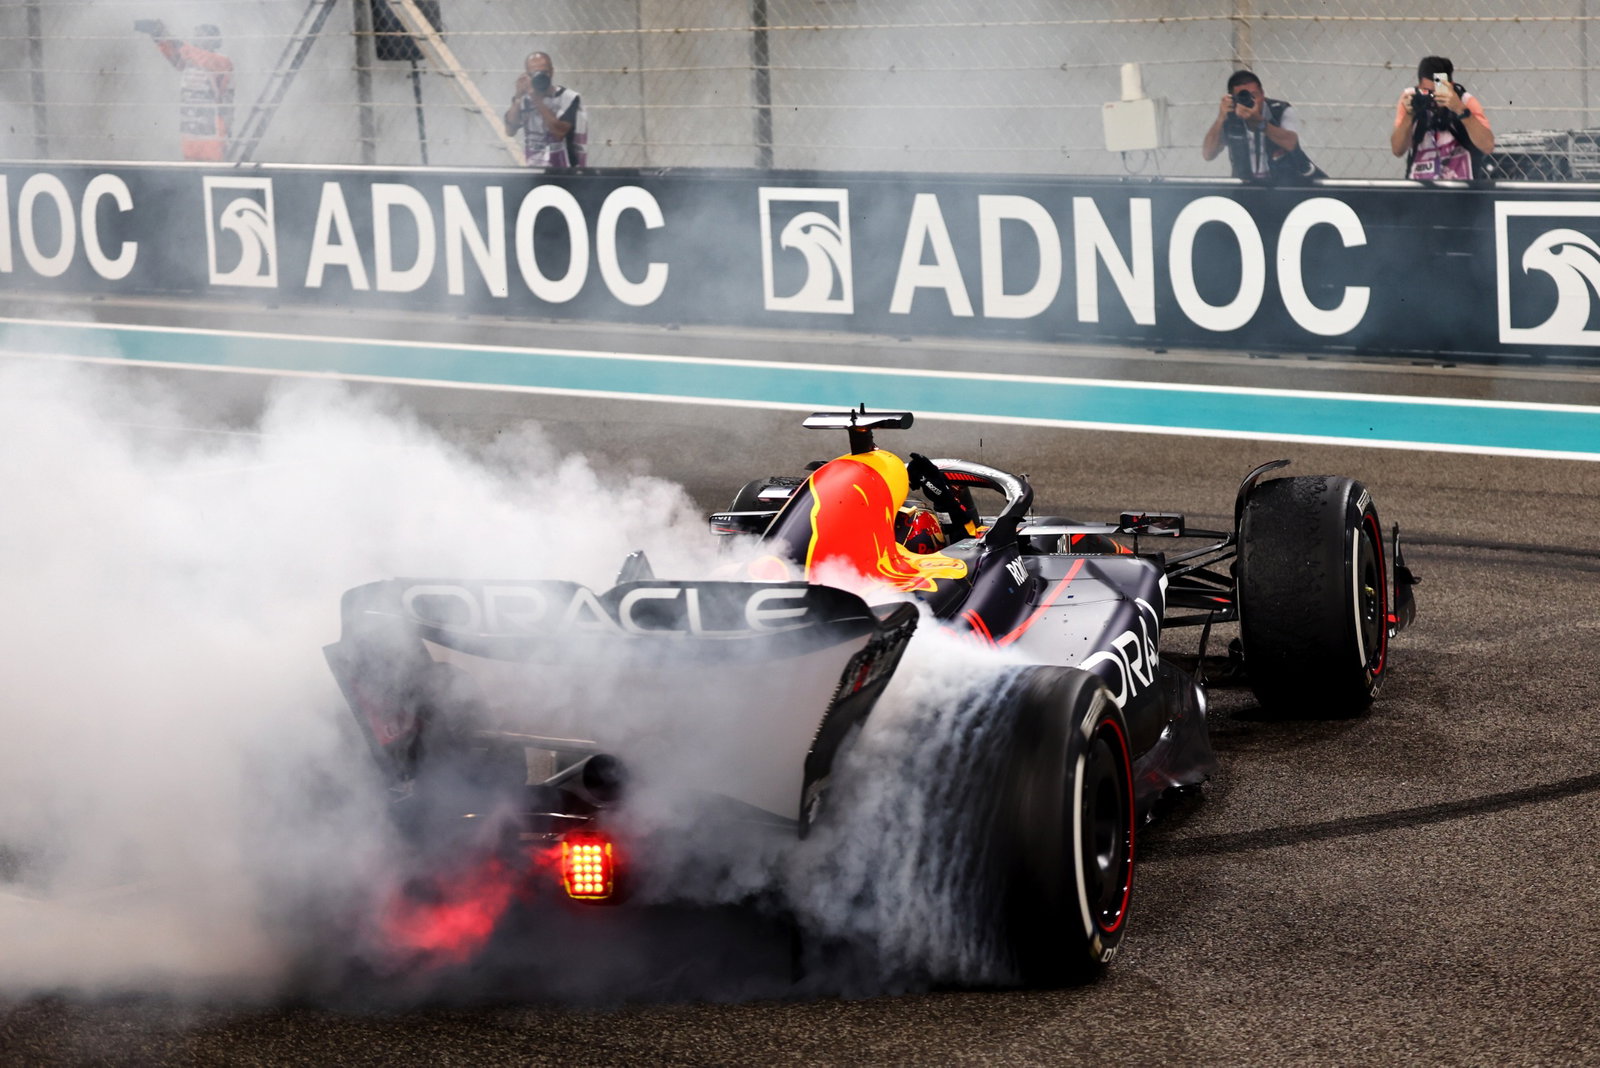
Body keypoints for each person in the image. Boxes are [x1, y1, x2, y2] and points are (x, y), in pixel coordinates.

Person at [136, 20, 234, 162]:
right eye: (196, 37)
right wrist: (158, 37)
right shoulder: (190, 60)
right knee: (192, 171)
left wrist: (163, 31)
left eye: (201, 36)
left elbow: (192, 54)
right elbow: (174, 55)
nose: (196, 40)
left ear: (213, 40)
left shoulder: (221, 61)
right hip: (190, 129)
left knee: (213, 168)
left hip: (212, 131)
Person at [1201, 70, 1323, 183]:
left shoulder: (1279, 110)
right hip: (1245, 184)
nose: (1252, 100)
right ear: (1233, 98)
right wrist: (1220, 118)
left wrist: (1261, 123)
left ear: (1263, 94)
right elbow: (1208, 154)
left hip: (1282, 184)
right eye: (1244, 97)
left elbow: (1291, 143)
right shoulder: (1230, 116)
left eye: (1255, 95)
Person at [1391, 56, 1493, 180]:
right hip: (1420, 185)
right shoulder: (1412, 99)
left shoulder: (1465, 101)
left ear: (1450, 85)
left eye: (1438, 92)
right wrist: (1409, 115)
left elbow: (1487, 146)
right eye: (1428, 91)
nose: (1433, 97)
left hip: (1462, 187)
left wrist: (1460, 110)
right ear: (1419, 86)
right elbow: (1397, 150)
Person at [503, 51, 587, 169]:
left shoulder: (569, 98)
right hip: (534, 170)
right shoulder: (524, 99)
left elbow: (559, 133)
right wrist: (517, 97)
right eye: (534, 74)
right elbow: (510, 131)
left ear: (552, 72)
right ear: (527, 75)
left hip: (567, 171)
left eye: (544, 72)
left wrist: (536, 99)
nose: (540, 77)